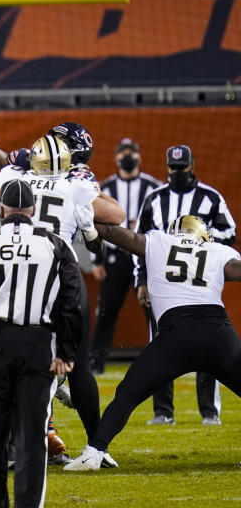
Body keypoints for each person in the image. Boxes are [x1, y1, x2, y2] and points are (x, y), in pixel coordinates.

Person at [0, 135, 124, 450]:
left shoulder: (16, 177)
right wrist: (92, 227)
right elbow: (115, 218)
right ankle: (96, 444)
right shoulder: (76, 185)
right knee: (75, 362)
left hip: (16, 271)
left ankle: (19, 439)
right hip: (60, 268)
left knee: (12, 351)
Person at [66, 215, 241, 470]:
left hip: (176, 334)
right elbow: (236, 270)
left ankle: (95, 451)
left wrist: (83, 219)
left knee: (128, 393)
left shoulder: (160, 241)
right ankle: (95, 451)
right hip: (218, 334)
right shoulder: (217, 249)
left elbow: (121, 235)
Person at [0, 179, 83, 508]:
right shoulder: (56, 245)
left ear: (1, 211)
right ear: (34, 212)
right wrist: (66, 351)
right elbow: (72, 301)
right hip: (39, 343)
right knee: (31, 436)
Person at [134, 144, 237, 426]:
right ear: (166, 168)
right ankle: (163, 411)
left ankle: (209, 410)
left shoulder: (210, 197)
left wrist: (202, 235)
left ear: (192, 167)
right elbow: (140, 243)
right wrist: (141, 280)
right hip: (163, 282)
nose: (177, 172)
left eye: (181, 168)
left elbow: (230, 231)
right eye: (173, 168)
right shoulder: (154, 199)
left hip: (202, 279)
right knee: (160, 343)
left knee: (209, 343)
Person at [88, 138, 161, 373]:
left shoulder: (154, 187)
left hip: (144, 255)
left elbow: (163, 221)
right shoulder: (104, 188)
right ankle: (96, 362)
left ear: (139, 156)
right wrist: (96, 260)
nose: (127, 157)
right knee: (107, 311)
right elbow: (91, 225)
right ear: (117, 157)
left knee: (155, 308)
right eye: (123, 153)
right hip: (115, 258)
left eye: (131, 152)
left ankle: (165, 357)